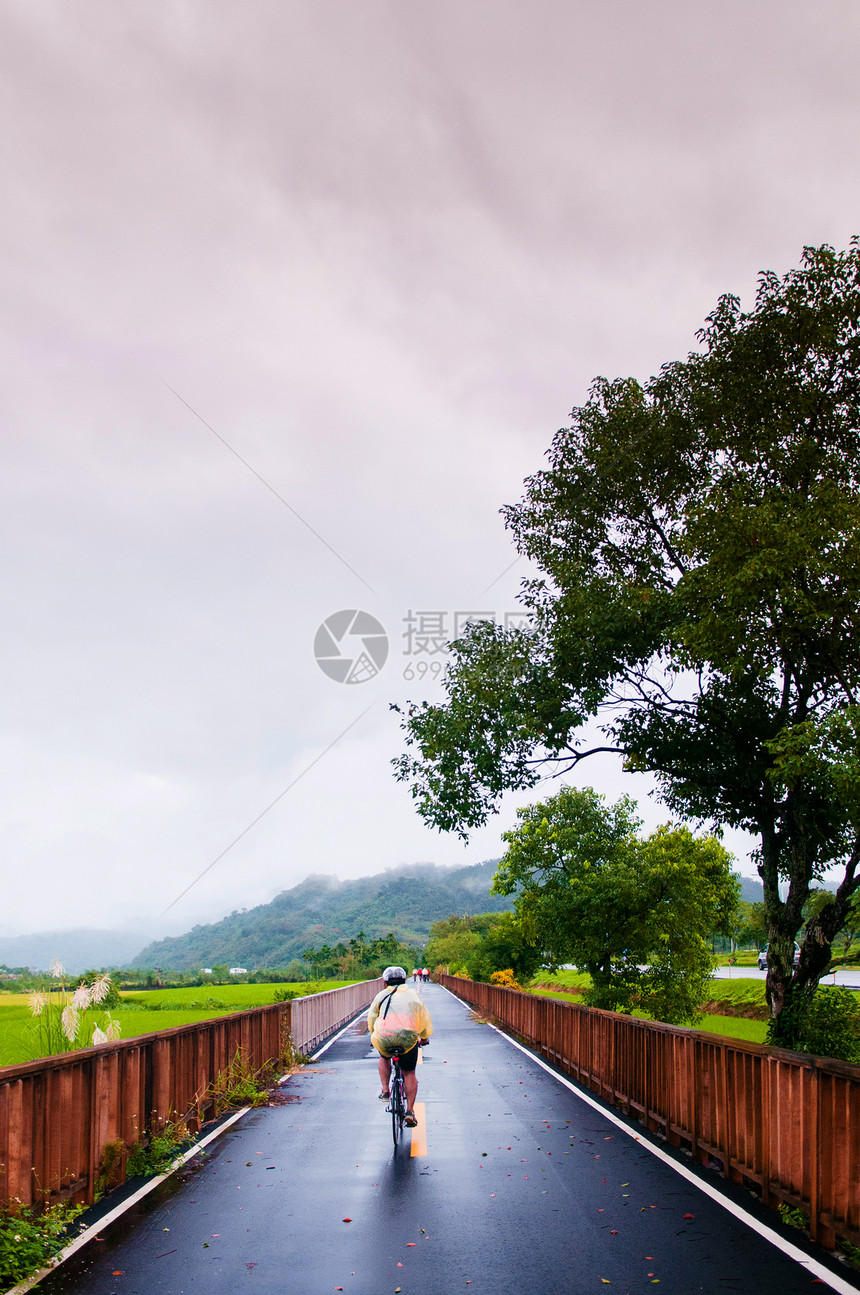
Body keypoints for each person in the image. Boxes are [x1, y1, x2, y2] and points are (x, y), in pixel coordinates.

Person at [368, 965, 433, 1127]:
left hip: (385, 1037)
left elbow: (372, 1018)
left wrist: (373, 1035)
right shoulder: (413, 995)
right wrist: (423, 1038)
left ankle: (385, 1090)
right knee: (409, 1072)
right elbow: (423, 1018)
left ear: (385, 982)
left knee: (384, 1056)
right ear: (405, 980)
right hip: (407, 1038)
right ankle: (410, 1111)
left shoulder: (381, 995)